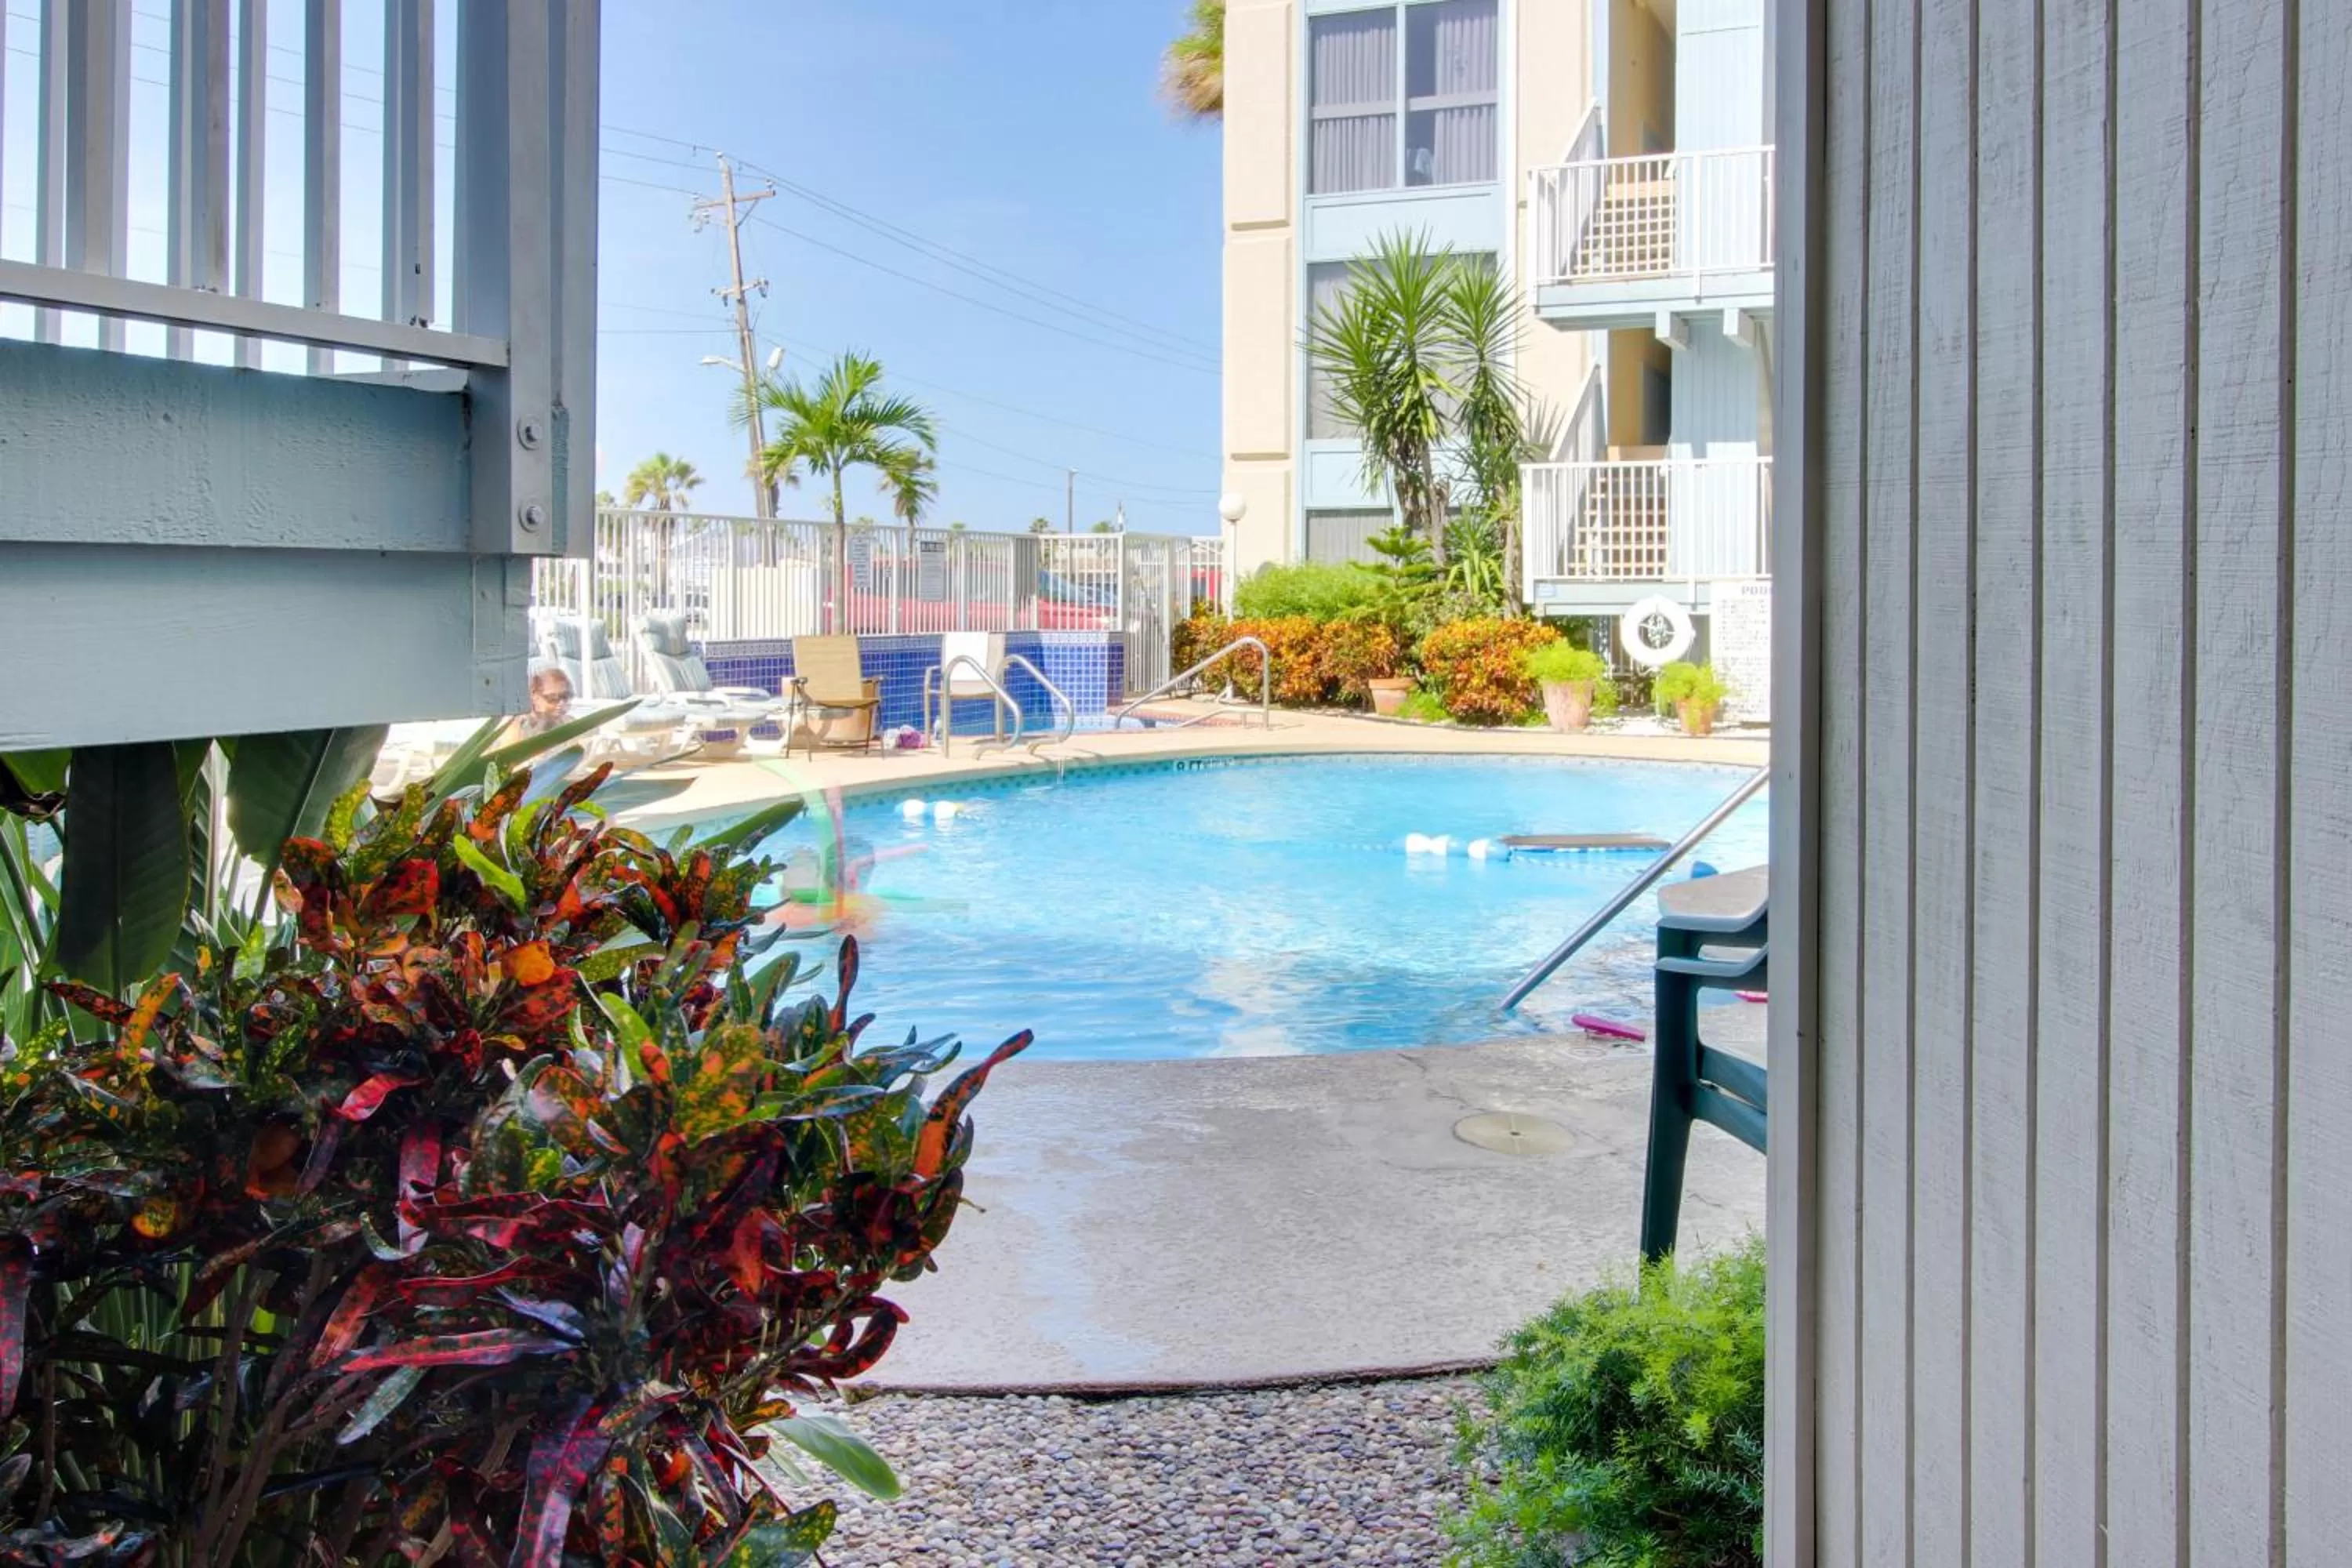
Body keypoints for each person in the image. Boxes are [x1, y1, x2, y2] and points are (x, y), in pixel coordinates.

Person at [495, 664, 574, 750]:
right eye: (553, 698)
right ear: (534, 697)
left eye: (566, 696)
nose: (561, 703)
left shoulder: (567, 722)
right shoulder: (517, 728)